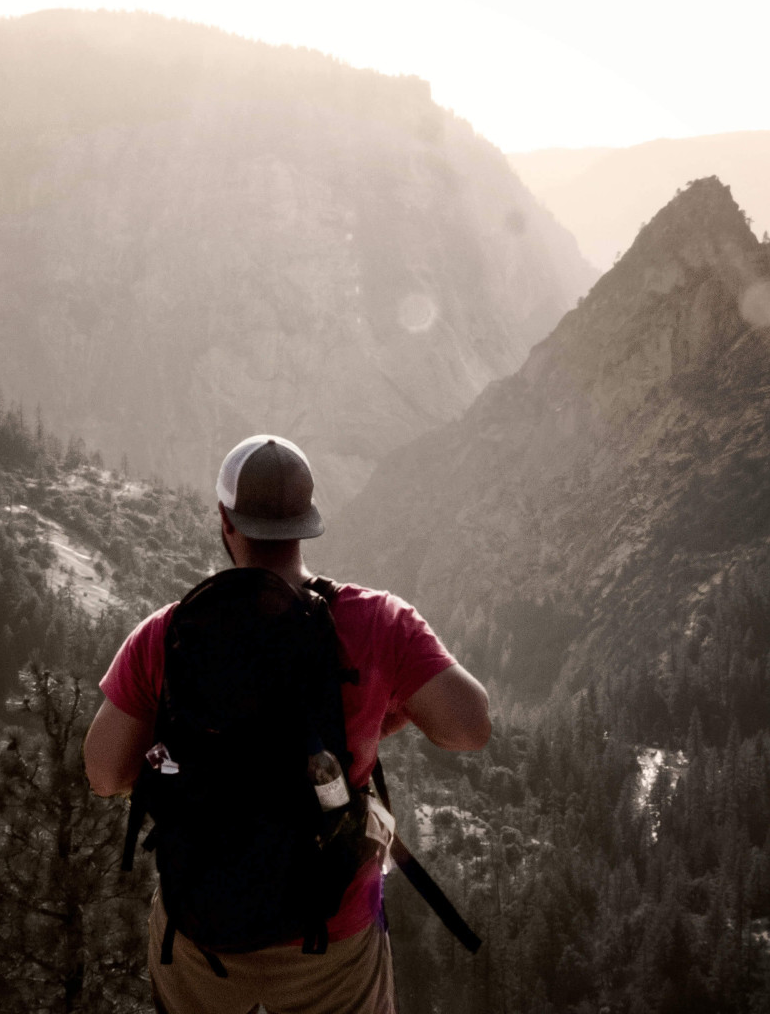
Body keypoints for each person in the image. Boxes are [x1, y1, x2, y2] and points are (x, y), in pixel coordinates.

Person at [85, 434, 491, 1014]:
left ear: (226, 521)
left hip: (202, 933)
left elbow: (102, 773)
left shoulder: (167, 635)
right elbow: (470, 728)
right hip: (333, 935)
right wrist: (377, 720)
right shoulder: (378, 623)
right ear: (308, 522)